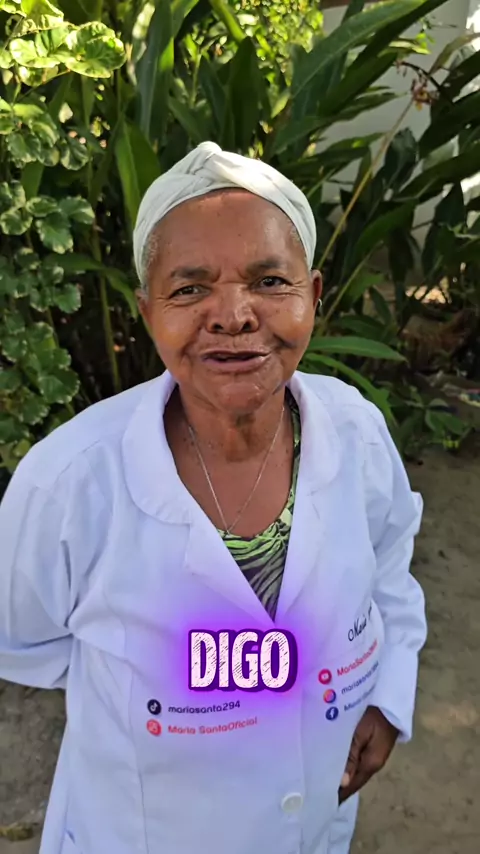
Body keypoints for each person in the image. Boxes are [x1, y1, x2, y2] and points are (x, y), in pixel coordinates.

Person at [0, 141, 427, 854]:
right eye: (190, 289)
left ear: (314, 295)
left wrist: (388, 694)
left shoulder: (355, 430)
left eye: (270, 280)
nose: (233, 315)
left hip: (316, 825)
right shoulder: (68, 484)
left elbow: (389, 562)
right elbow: (25, 642)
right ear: (148, 312)